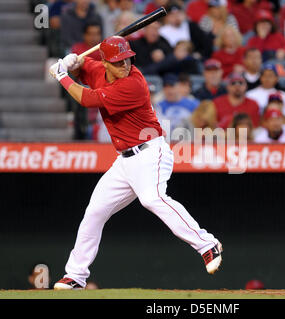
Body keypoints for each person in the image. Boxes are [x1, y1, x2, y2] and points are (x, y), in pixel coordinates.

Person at [48, 36, 223, 290]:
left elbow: (87, 99)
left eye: (128, 60)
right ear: (106, 62)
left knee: (152, 198)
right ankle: (75, 276)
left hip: (151, 152)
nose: (125, 65)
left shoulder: (133, 83)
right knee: (94, 212)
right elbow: (85, 65)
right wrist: (73, 61)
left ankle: (207, 244)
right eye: (119, 62)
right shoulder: (100, 69)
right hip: (125, 161)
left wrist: (62, 76)